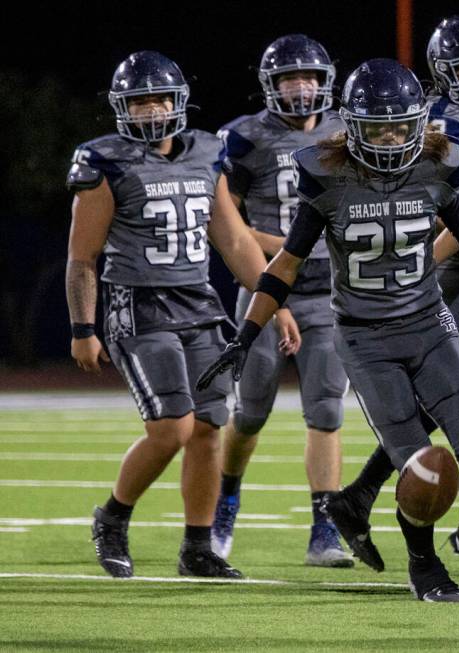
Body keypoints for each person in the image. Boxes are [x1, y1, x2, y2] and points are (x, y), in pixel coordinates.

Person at [196, 58, 459, 602]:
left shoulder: (441, 164)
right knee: (419, 465)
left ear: (420, 121)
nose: (393, 137)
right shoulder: (326, 175)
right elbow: (285, 266)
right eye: (378, 127)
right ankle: (423, 567)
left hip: (430, 324)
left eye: (402, 124)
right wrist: (245, 335)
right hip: (364, 337)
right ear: (352, 128)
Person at [321, 14, 459, 575]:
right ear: (445, 74)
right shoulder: (443, 129)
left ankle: (359, 498)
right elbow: (439, 222)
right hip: (444, 271)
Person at [65, 50, 298, 579]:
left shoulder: (205, 153)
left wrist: (273, 302)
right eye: (139, 102)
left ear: (179, 102)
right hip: (139, 306)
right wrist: (83, 327)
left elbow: (235, 240)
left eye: (159, 100)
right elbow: (83, 258)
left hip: (198, 302)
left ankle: (198, 548)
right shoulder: (104, 162)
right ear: (121, 108)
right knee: (172, 426)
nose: (150, 111)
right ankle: (113, 517)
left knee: (210, 427)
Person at [211, 34, 353, 568]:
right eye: (289, 78)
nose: (300, 88)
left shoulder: (347, 131)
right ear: (271, 85)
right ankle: (226, 498)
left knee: (326, 411)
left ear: (325, 82)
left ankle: (324, 530)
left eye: (309, 78)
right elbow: (228, 225)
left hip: (330, 292)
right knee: (250, 413)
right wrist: (287, 249)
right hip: (267, 290)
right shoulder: (245, 139)